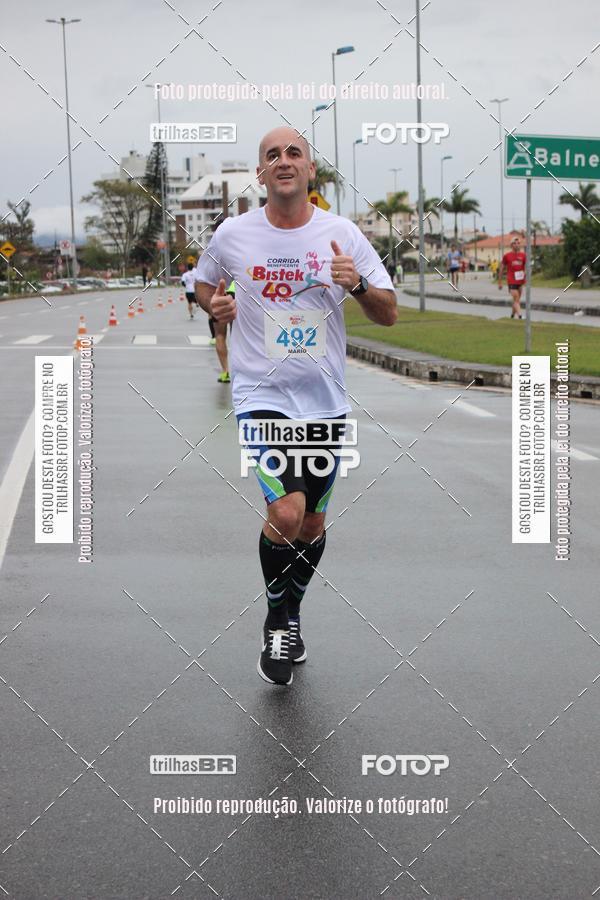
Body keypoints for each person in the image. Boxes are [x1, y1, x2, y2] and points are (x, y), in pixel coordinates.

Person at [194, 126, 397, 686]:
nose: (283, 161)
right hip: (261, 395)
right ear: (261, 173)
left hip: (325, 402)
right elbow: (203, 285)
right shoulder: (234, 234)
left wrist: (355, 285)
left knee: (310, 524)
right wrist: (216, 308)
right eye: (271, 155)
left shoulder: (344, 234)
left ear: (311, 170)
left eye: (294, 153)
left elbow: (389, 314)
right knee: (284, 514)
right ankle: (276, 620)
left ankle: (293, 612)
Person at [498, 236, 526, 318]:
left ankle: (512, 315)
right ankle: (520, 315)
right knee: (516, 298)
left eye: (518, 243)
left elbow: (526, 267)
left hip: (520, 281)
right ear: (511, 245)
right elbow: (501, 269)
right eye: (515, 243)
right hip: (511, 281)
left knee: (516, 300)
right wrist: (500, 282)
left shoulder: (523, 255)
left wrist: (526, 274)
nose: (517, 245)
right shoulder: (507, 256)